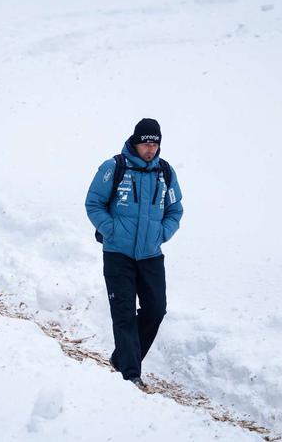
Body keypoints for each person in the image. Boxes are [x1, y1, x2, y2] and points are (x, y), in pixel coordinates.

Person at [85, 118, 183, 386]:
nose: (151, 150)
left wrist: (163, 233)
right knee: (124, 313)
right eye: (146, 144)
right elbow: (93, 203)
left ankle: (121, 358)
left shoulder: (165, 173)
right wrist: (111, 230)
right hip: (118, 254)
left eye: (155, 144)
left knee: (156, 310)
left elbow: (175, 209)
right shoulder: (114, 167)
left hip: (151, 256)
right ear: (136, 142)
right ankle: (131, 375)